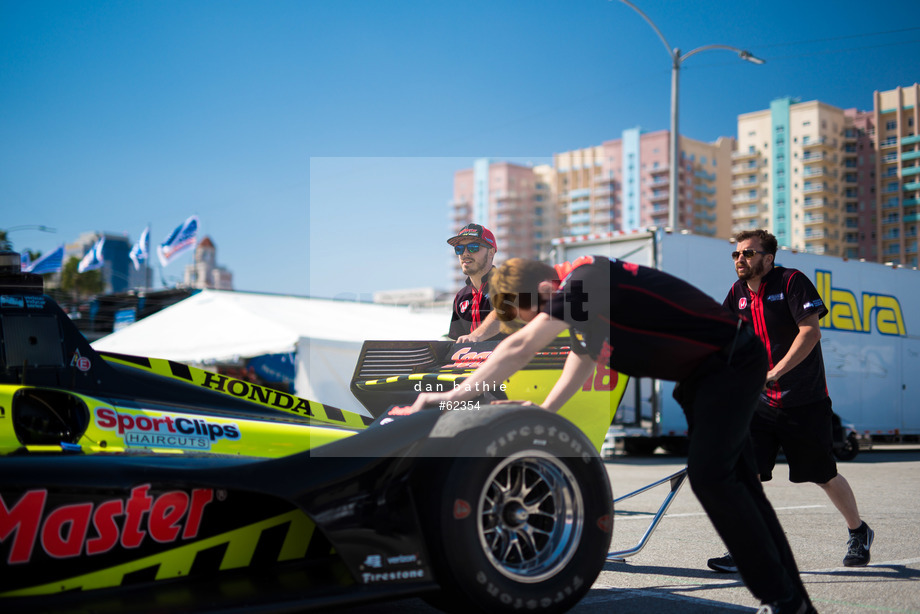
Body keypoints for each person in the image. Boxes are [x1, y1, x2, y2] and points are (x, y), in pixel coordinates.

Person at [409, 256, 815, 613]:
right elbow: (583, 357)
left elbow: (518, 348)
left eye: (534, 315)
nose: (537, 326)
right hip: (706, 377)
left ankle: (781, 597)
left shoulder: (585, 279)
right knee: (742, 487)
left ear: (547, 289)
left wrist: (449, 397)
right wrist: (547, 410)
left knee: (712, 478)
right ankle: (793, 600)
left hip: (731, 363)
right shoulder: (588, 306)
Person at [707, 229, 872, 575]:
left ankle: (858, 531)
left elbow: (810, 332)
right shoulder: (736, 293)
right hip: (760, 404)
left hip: (804, 399)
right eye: (737, 254)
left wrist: (774, 372)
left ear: (768, 259)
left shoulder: (792, 282)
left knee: (824, 474)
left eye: (749, 254)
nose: (741, 259)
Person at [446, 223, 503, 341]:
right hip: (473, 359)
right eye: (459, 249)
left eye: (473, 247)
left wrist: (475, 336)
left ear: (491, 252)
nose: (465, 253)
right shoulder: (461, 296)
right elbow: (455, 341)